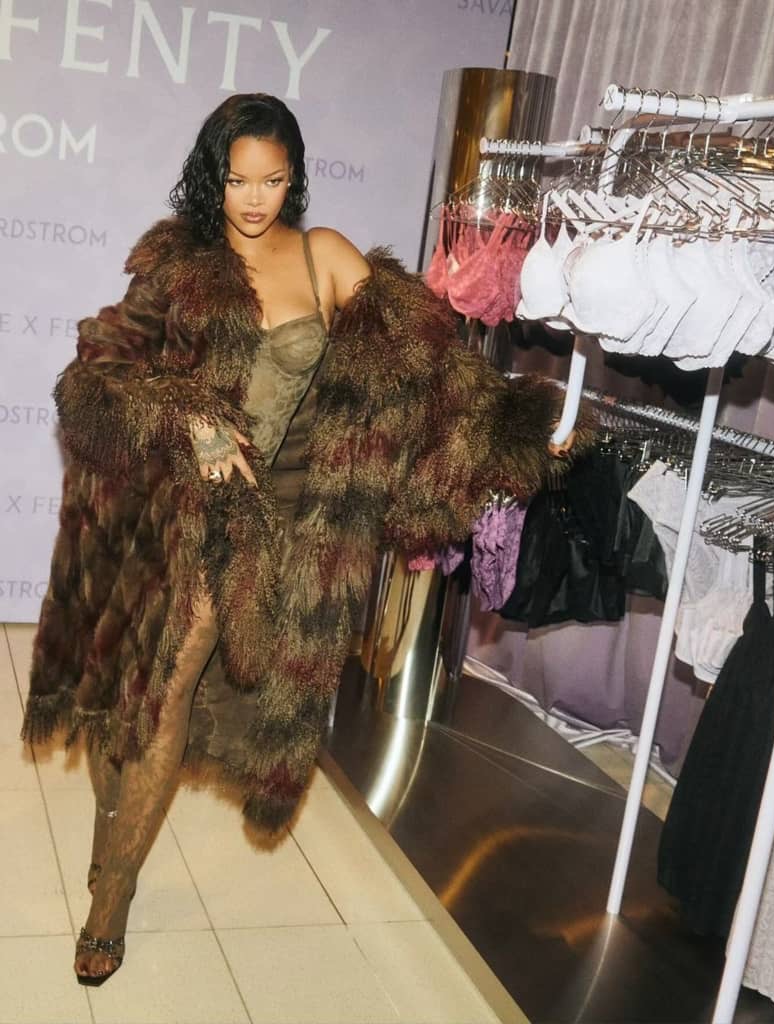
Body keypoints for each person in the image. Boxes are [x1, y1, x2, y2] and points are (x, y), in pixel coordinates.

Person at [21, 93, 594, 985]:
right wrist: (189, 414)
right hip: (170, 509)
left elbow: (430, 365)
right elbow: (95, 372)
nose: (255, 200)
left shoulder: (324, 256)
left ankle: (112, 875)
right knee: (147, 693)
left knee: (167, 690)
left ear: (294, 178)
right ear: (214, 177)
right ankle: (112, 875)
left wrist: (518, 426)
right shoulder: (179, 264)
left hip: (275, 522)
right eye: (238, 180)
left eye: (273, 180)